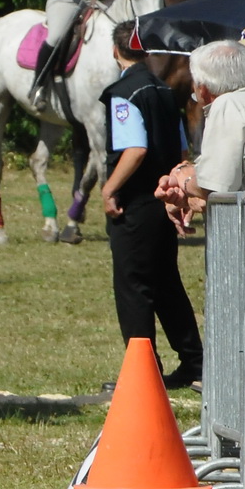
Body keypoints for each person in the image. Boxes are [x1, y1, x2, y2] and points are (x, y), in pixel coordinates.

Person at [100, 20, 200, 390]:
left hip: (137, 202)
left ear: (115, 51)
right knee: (166, 283)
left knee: (133, 286)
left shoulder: (124, 92)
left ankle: (143, 373)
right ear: (144, 51)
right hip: (164, 199)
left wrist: (110, 189)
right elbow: (182, 149)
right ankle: (194, 362)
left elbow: (135, 148)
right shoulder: (162, 89)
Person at [157, 40, 245, 233]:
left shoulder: (227, 105)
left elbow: (215, 186)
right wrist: (188, 187)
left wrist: (184, 181)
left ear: (202, 88)